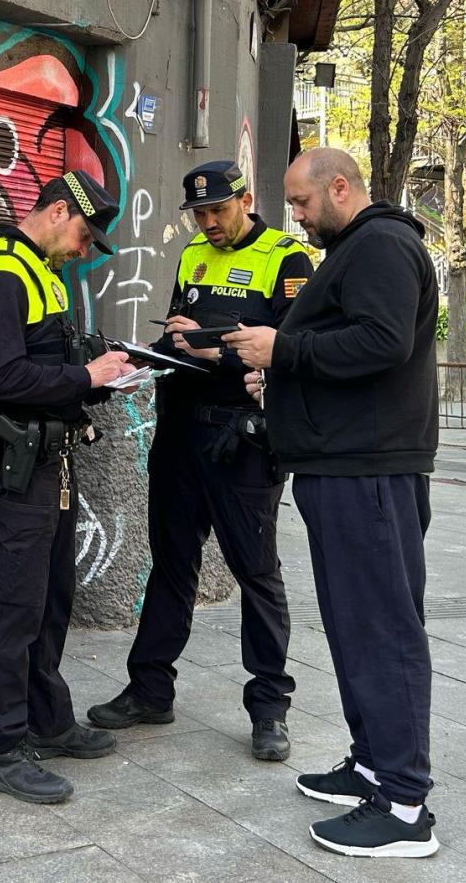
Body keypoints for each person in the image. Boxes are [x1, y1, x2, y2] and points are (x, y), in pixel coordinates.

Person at [223, 147, 441, 859]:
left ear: (339, 187)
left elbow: (380, 343)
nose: (295, 214)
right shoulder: (358, 247)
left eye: (301, 201)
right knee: (355, 627)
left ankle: (406, 805)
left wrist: (282, 352)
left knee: (381, 628)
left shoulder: (381, 245)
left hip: (368, 473)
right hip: (344, 468)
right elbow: (346, 349)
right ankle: (374, 764)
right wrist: (285, 378)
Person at [88, 160, 312, 763]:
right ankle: (149, 689)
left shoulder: (286, 259)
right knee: (170, 566)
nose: (209, 223)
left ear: (244, 200)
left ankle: (269, 708)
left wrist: (213, 349)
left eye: (218, 211)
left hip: (242, 441)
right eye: (200, 213)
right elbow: (178, 339)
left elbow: (289, 356)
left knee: (256, 575)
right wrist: (141, 358)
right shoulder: (191, 255)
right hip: (181, 435)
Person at [0, 169, 138, 805]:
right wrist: (86, 377)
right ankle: (0, 748)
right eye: (85, 235)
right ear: (58, 212)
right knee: (14, 606)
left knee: (52, 597)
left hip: (55, 461)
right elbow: (3, 376)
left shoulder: (44, 273)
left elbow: (50, 364)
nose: (85, 250)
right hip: (18, 462)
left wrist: (103, 373)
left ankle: (47, 720)